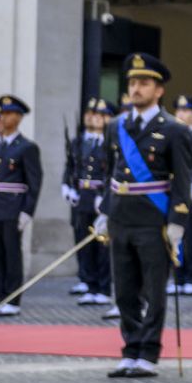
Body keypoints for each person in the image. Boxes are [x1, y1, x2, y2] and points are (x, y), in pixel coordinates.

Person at [98, 53, 192, 378]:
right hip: (121, 217)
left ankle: (149, 353)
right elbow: (108, 172)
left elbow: (183, 180)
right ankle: (130, 349)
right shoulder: (115, 127)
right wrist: (104, 211)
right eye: (132, 82)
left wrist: (178, 222)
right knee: (124, 290)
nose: (136, 88)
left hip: (154, 220)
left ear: (158, 91)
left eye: (143, 83)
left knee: (154, 291)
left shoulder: (174, 130)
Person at [0, 95, 41, 318]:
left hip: (13, 208)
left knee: (11, 254)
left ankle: (12, 299)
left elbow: (34, 182)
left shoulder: (26, 147)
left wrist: (27, 211)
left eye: (6, 114)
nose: (1, 118)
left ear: (18, 118)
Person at [65, 98, 115, 309]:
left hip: (100, 197)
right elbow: (71, 166)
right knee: (83, 241)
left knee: (102, 245)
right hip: (83, 196)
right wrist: (66, 186)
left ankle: (103, 288)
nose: (95, 117)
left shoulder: (111, 143)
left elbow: (112, 171)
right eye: (93, 113)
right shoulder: (80, 142)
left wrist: (104, 195)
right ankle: (89, 283)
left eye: (101, 114)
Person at [168, 95, 192, 295]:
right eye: (178, 110)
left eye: (185, 111)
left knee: (189, 236)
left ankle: (190, 277)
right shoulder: (172, 136)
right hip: (174, 191)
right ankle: (177, 276)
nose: (180, 114)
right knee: (173, 235)